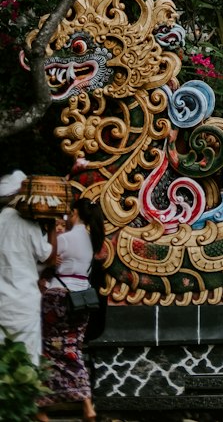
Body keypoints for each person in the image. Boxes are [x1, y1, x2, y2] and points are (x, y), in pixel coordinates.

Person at [42, 198, 102, 422]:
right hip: (82, 299)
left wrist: (50, 238)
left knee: (47, 348)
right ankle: (87, 404)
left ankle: (42, 406)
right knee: (72, 349)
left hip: (58, 298)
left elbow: (43, 261)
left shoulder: (64, 239)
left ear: (75, 213)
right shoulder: (90, 239)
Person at [0, 169, 56, 369]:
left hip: (2, 304)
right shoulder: (28, 225)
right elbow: (49, 258)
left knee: (3, 360)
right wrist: (51, 227)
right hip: (24, 303)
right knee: (28, 362)